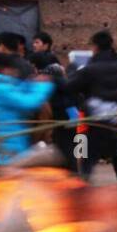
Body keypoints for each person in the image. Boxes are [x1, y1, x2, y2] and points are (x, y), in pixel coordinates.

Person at [65, 30, 117, 181]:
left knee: (87, 160)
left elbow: (71, 87)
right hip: (114, 118)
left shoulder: (90, 68)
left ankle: (82, 193)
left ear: (95, 46)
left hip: (94, 121)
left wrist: (72, 72)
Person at [0, 51, 54, 168]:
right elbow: (29, 102)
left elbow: (17, 91)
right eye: (13, 69)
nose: (16, 72)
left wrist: (30, 83)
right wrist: (43, 85)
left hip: (2, 149)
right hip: (4, 152)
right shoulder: (1, 88)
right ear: (3, 69)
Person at [30, 32, 80, 172]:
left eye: (37, 42)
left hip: (64, 115)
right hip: (66, 114)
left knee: (67, 145)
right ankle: (71, 171)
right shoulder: (53, 75)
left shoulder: (49, 76)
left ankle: (73, 173)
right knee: (65, 144)